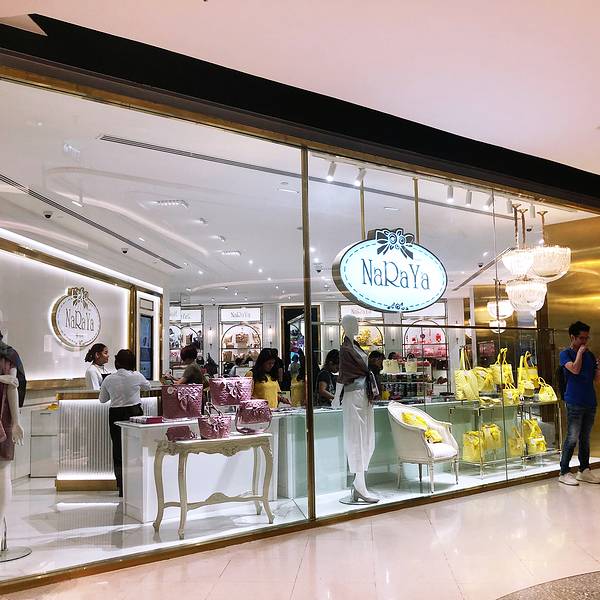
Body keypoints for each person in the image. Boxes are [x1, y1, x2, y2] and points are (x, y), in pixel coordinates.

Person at [99, 349, 150, 496]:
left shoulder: (109, 379)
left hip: (115, 414)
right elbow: (148, 387)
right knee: (136, 447)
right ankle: (137, 482)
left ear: (117, 362)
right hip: (134, 412)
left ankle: (122, 486)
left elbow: (102, 399)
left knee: (118, 450)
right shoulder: (137, 376)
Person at [558, 321, 600, 486]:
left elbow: (596, 380)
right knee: (572, 437)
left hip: (590, 401)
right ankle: (564, 472)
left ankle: (584, 470)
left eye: (586, 338)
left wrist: (598, 368)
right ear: (572, 337)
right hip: (574, 400)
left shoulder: (590, 355)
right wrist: (580, 353)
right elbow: (575, 369)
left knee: (585, 438)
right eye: (581, 338)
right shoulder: (565, 354)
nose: (584, 341)